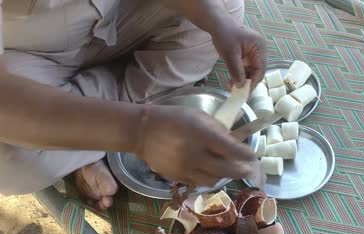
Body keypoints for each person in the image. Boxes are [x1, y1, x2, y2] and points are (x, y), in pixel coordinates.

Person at [0, 0, 266, 211]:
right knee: (11, 160)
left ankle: (82, 135)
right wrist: (140, 131)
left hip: (122, 14)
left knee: (225, 8)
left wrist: (217, 23)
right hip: (27, 58)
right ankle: (101, 127)